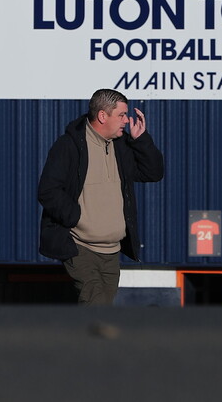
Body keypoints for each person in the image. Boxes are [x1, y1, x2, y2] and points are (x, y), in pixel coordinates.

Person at [38, 89, 165, 305]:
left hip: (111, 251)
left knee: (101, 310)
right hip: (79, 247)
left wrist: (140, 140)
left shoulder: (122, 145)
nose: (127, 120)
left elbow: (153, 173)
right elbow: (48, 191)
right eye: (122, 115)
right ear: (103, 116)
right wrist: (77, 219)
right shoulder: (69, 146)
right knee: (96, 304)